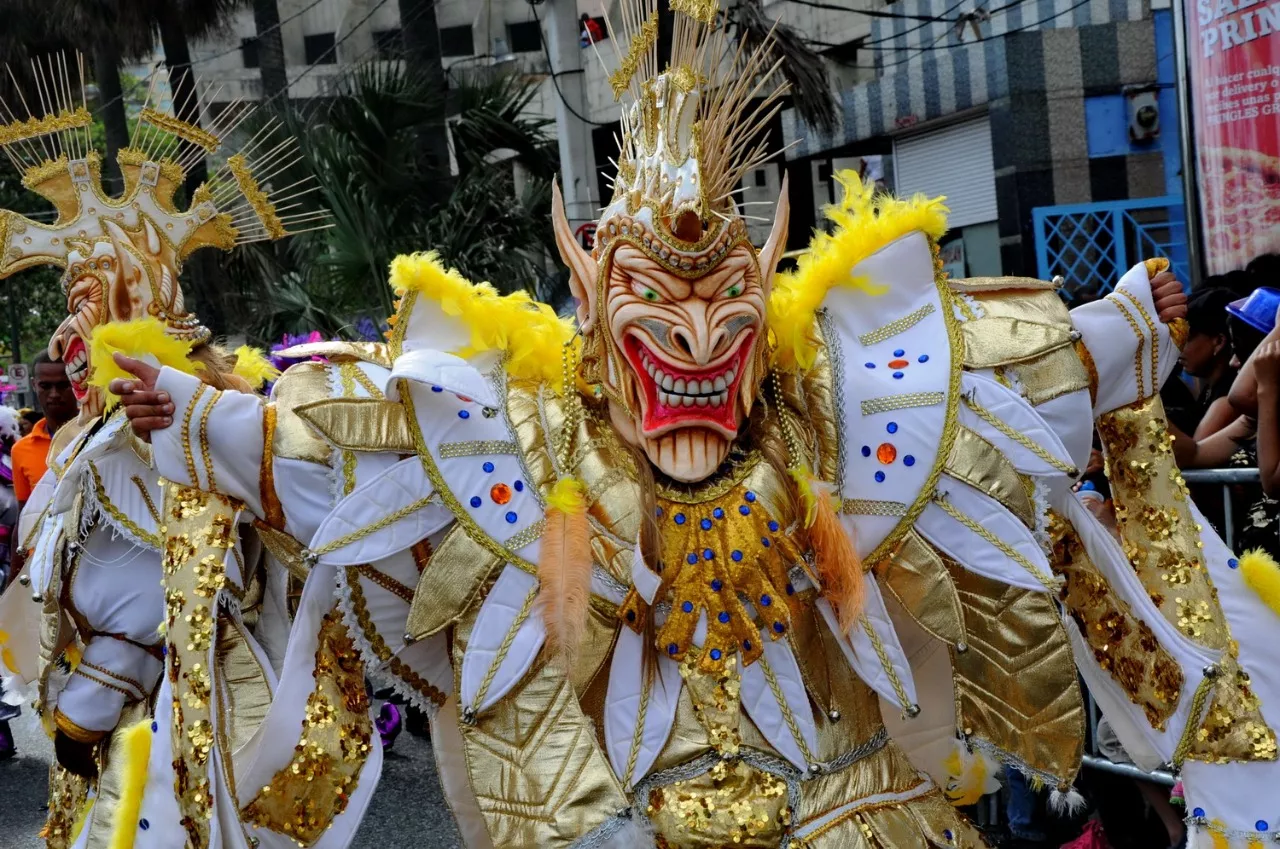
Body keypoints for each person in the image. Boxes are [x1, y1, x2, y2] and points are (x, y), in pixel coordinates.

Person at [124, 5, 1280, 844]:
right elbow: (338, 456)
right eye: (654, 301)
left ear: (764, 298)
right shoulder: (514, 440)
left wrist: (1122, 325)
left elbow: (1014, 385)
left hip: (846, 814)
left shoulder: (842, 415)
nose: (691, 334)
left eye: (721, 298)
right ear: (587, 301)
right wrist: (188, 411)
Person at [0, 61, 357, 849]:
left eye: (88, 312)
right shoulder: (90, 442)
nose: (72, 344)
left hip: (185, 724)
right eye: (72, 317)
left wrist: (84, 708)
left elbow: (148, 607)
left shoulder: (169, 438)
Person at [11, 350, 76, 508]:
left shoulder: (102, 434)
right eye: (45, 386)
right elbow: (25, 512)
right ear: (34, 385)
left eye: (63, 385)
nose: (54, 394)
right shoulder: (20, 450)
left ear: (78, 382)